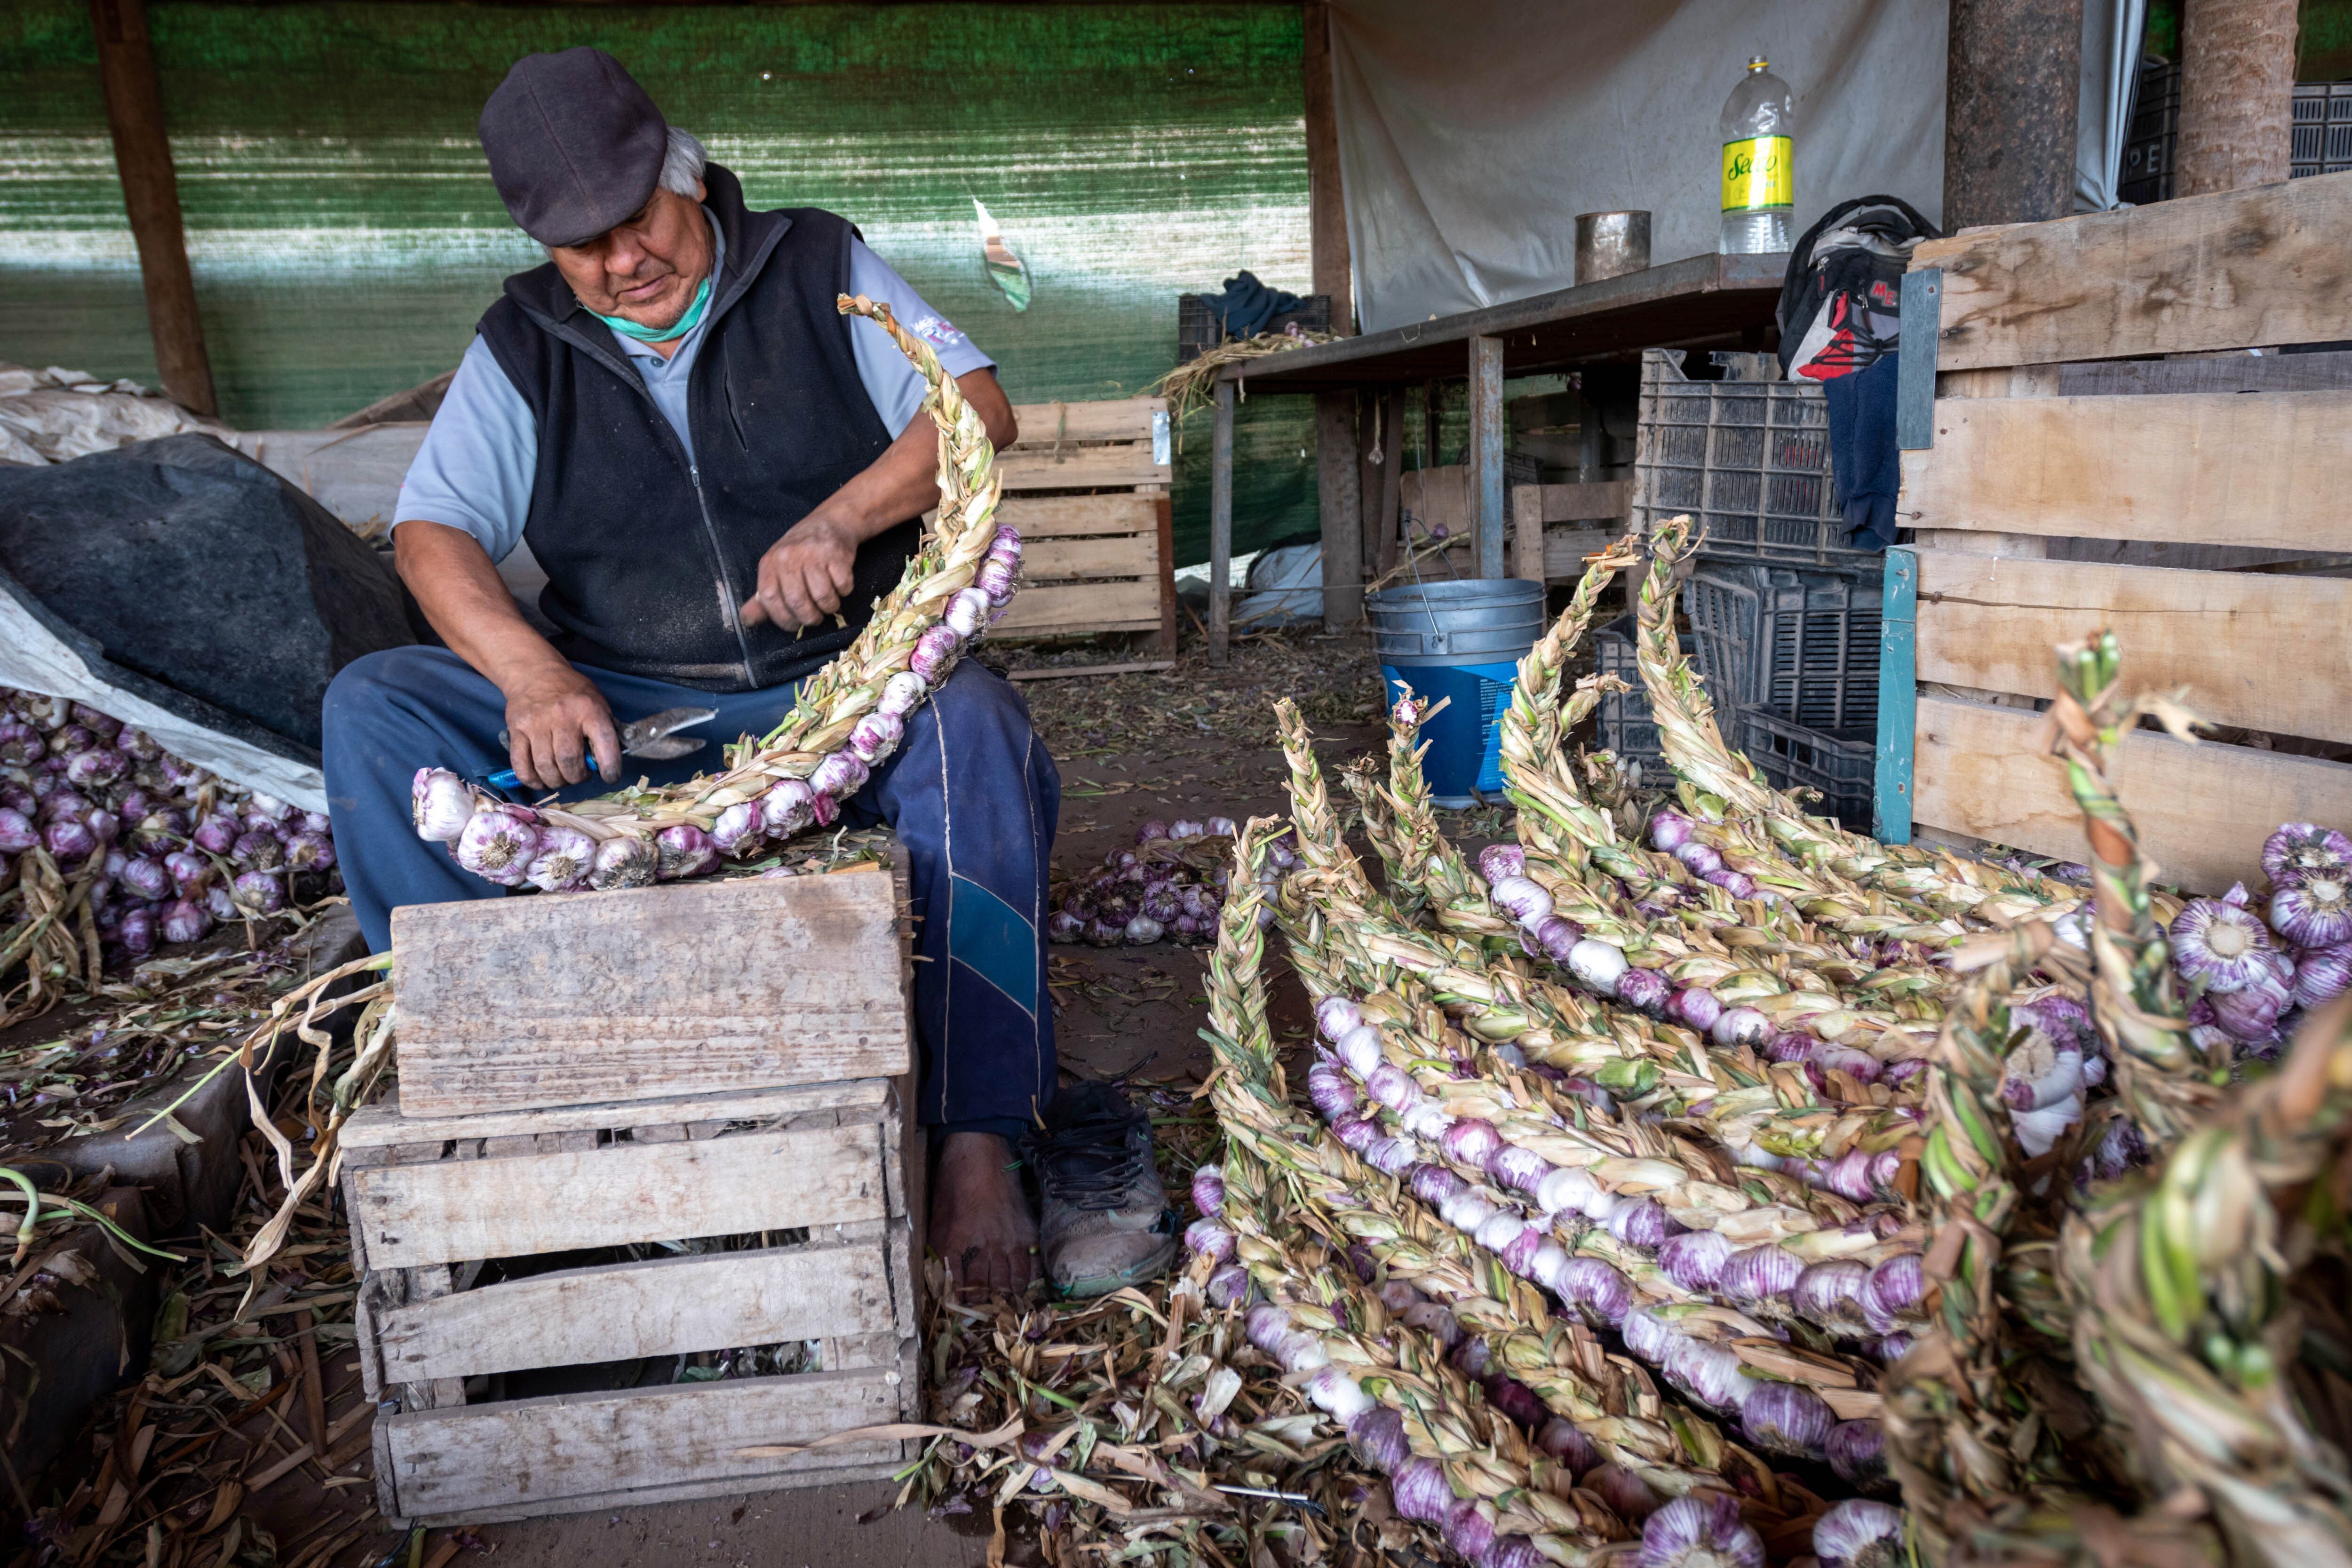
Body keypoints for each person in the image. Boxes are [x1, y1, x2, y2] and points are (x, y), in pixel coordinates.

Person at [319, 47, 1173, 1298]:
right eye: (581, 245)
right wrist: (530, 673)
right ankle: (514, 1077)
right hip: (633, 706)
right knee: (373, 711)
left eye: (637, 221)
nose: (620, 263)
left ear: (687, 180)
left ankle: (979, 1132)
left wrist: (843, 519)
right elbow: (432, 533)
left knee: (976, 732)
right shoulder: (523, 344)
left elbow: (973, 407)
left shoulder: (817, 265)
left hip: (839, 685)